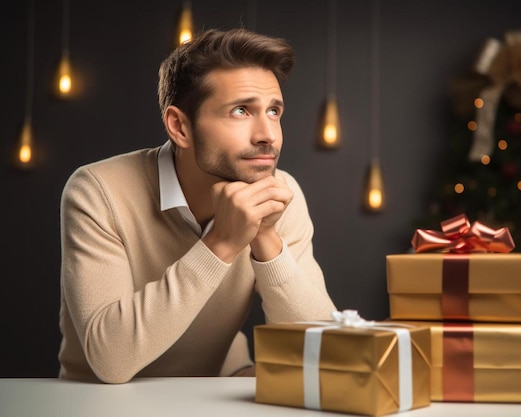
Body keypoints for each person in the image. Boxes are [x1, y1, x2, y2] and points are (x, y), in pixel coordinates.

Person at [58, 27, 337, 384]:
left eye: (273, 111)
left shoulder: (281, 194)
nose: (268, 134)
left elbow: (326, 353)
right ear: (180, 127)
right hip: (100, 401)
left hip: (217, 391)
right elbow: (110, 360)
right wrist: (222, 242)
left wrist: (266, 237)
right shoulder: (98, 190)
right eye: (241, 111)